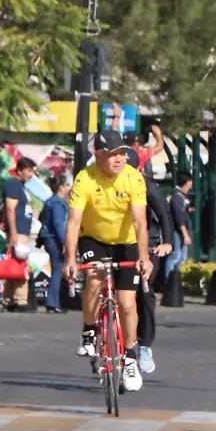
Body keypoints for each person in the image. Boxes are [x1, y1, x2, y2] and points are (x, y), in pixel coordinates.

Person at [64, 131, 152, 393]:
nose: (119, 159)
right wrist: (69, 258)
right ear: (98, 155)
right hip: (94, 238)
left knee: (126, 303)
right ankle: (89, 329)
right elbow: (73, 222)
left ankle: (130, 358)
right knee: (93, 278)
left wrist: (144, 257)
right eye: (113, 154)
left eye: (123, 153)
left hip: (126, 241)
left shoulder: (134, 178)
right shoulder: (85, 178)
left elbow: (140, 222)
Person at [127, 148, 174, 374]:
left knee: (143, 290)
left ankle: (145, 344)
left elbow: (164, 214)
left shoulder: (148, 186)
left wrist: (167, 242)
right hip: (120, 243)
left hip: (149, 242)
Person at [3, 157, 38, 311]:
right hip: (17, 232)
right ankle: (21, 300)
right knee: (20, 265)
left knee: (14, 264)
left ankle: (9, 299)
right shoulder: (13, 185)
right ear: (19, 170)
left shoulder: (21, 186)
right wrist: (14, 232)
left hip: (22, 231)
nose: (31, 174)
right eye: (29, 170)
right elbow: (10, 208)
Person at [38, 174, 71, 313]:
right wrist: (65, 242)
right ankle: (53, 302)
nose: (68, 188)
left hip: (48, 238)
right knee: (57, 269)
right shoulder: (58, 203)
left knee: (56, 269)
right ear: (61, 187)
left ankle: (53, 301)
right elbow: (59, 224)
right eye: (66, 185)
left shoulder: (50, 201)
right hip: (54, 239)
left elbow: (41, 217)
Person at [166, 172, 194, 279]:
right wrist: (185, 234)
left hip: (179, 230)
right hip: (177, 231)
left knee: (181, 258)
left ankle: (175, 280)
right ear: (188, 182)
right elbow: (178, 217)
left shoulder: (180, 196)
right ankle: (169, 280)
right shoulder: (177, 196)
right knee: (176, 256)